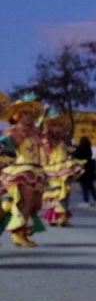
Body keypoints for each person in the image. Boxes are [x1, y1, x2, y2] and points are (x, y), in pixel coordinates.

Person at [1, 94, 48, 246]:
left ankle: (23, 231)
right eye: (26, 113)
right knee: (26, 203)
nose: (30, 116)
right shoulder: (15, 132)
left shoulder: (34, 132)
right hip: (23, 170)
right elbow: (5, 148)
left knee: (36, 204)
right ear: (18, 115)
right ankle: (18, 234)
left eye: (32, 114)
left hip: (36, 170)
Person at [39, 108, 84, 227]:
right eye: (55, 125)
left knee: (64, 191)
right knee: (54, 193)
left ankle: (60, 217)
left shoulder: (64, 139)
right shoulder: (46, 140)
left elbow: (67, 151)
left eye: (60, 125)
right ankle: (57, 217)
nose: (58, 128)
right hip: (53, 168)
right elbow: (43, 155)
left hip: (64, 167)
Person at [74, 136, 96, 206]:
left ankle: (86, 200)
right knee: (90, 185)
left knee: (84, 186)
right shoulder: (89, 148)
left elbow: (75, 156)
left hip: (82, 168)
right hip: (89, 168)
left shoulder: (80, 149)